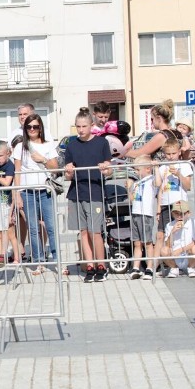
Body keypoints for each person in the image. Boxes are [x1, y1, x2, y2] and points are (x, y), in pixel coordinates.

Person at [64, 108, 112, 283]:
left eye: (84, 126)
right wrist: (68, 171)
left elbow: (108, 168)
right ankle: (89, 266)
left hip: (95, 192)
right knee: (83, 232)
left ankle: (101, 266)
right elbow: (67, 174)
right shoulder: (71, 145)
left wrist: (105, 167)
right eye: (78, 126)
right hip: (77, 192)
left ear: (91, 125)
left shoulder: (101, 143)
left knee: (95, 231)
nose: (81, 129)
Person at [13, 114, 59, 273]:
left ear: (40, 128)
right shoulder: (20, 147)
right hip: (27, 192)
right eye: (29, 127)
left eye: (35, 126)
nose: (32, 129)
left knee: (51, 227)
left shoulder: (48, 145)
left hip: (45, 191)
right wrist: (17, 193)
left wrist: (43, 159)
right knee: (33, 228)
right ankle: (39, 261)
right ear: (25, 129)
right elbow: (17, 171)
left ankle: (57, 260)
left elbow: (55, 167)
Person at [154, 136, 194, 270]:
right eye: (168, 154)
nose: (170, 157)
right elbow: (159, 186)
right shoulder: (162, 167)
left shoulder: (184, 165)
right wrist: (158, 208)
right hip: (166, 203)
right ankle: (165, 264)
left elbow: (188, 186)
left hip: (179, 203)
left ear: (179, 152)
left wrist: (178, 174)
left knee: (181, 232)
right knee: (164, 234)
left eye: (173, 154)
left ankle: (185, 262)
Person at [123, 100, 188, 161]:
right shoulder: (178, 133)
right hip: (176, 170)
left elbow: (138, 154)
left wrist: (120, 152)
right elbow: (186, 156)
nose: (151, 122)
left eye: (152, 119)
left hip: (162, 171)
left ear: (159, 118)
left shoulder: (162, 136)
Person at [127, 156, 157, 280]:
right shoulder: (137, 183)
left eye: (138, 170)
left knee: (148, 242)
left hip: (146, 214)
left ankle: (150, 267)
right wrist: (129, 188)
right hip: (136, 213)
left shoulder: (151, 180)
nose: (136, 172)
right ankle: (136, 267)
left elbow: (159, 183)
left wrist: (156, 166)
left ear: (148, 169)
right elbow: (132, 199)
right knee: (137, 243)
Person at [161, 200, 195, 278]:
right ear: (172, 214)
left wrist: (180, 250)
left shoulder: (192, 223)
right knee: (163, 250)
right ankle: (174, 268)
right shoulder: (169, 225)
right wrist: (172, 232)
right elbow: (167, 245)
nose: (179, 216)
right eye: (176, 213)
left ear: (188, 213)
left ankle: (191, 267)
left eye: (182, 214)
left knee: (194, 248)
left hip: (188, 255)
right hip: (174, 257)